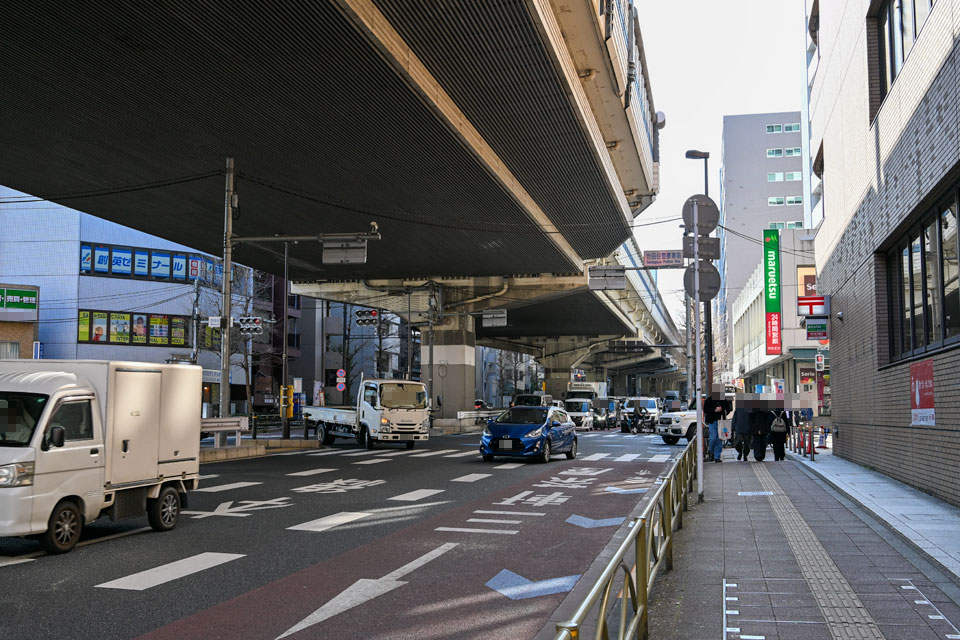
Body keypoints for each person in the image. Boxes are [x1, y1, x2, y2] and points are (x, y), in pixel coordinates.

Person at [704, 385, 732, 463]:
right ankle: (711, 452)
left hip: (721, 421)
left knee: (719, 439)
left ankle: (717, 457)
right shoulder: (709, 400)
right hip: (712, 421)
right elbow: (705, 410)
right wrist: (714, 410)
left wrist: (722, 409)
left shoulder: (723, 400)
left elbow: (728, 409)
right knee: (713, 438)